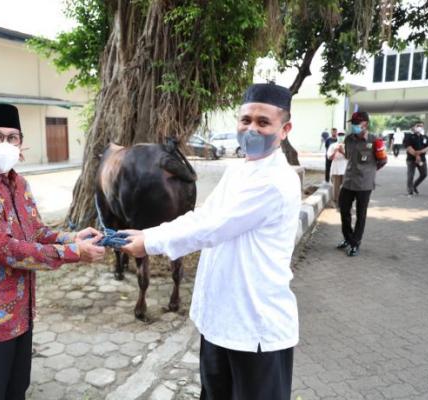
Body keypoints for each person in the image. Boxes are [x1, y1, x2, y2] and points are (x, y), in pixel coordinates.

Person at [120, 83, 301, 400]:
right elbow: (202, 216)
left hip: (255, 327)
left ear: (284, 129)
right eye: (246, 120)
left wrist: (150, 242)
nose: (251, 129)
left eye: (263, 122)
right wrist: (148, 234)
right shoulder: (239, 171)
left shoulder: (275, 181)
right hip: (220, 319)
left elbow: (212, 226)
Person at [0, 103, 106, 400]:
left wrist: (71, 236)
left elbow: (36, 232)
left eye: (13, 137)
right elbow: (6, 249)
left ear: (21, 144)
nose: (5, 144)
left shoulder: (18, 183)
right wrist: (74, 252)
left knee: (17, 389)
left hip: (20, 309)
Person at [337, 112, 386, 257]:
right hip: (349, 181)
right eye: (353, 123)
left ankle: (355, 243)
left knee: (360, 214)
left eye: (357, 123)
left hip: (364, 184)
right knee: (344, 210)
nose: (354, 126)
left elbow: (383, 160)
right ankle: (348, 238)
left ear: (365, 124)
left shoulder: (375, 140)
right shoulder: (349, 139)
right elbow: (348, 156)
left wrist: (369, 171)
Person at [404, 120, 428, 195]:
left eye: (421, 126)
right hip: (411, 159)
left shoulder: (424, 137)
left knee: (424, 174)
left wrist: (420, 152)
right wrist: (416, 155)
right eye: (418, 126)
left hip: (422, 159)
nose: (419, 127)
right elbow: (408, 148)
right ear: (414, 127)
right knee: (411, 175)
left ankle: (414, 186)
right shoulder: (408, 136)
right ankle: (410, 190)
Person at [326, 132, 347, 208]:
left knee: (346, 187)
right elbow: (329, 158)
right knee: (336, 188)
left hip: (346, 169)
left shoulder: (348, 145)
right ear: (337, 136)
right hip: (336, 169)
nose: (341, 137)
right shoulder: (333, 145)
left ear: (345, 136)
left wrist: (342, 151)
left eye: (342, 135)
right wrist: (335, 151)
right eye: (339, 135)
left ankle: (345, 202)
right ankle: (336, 202)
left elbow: (350, 158)